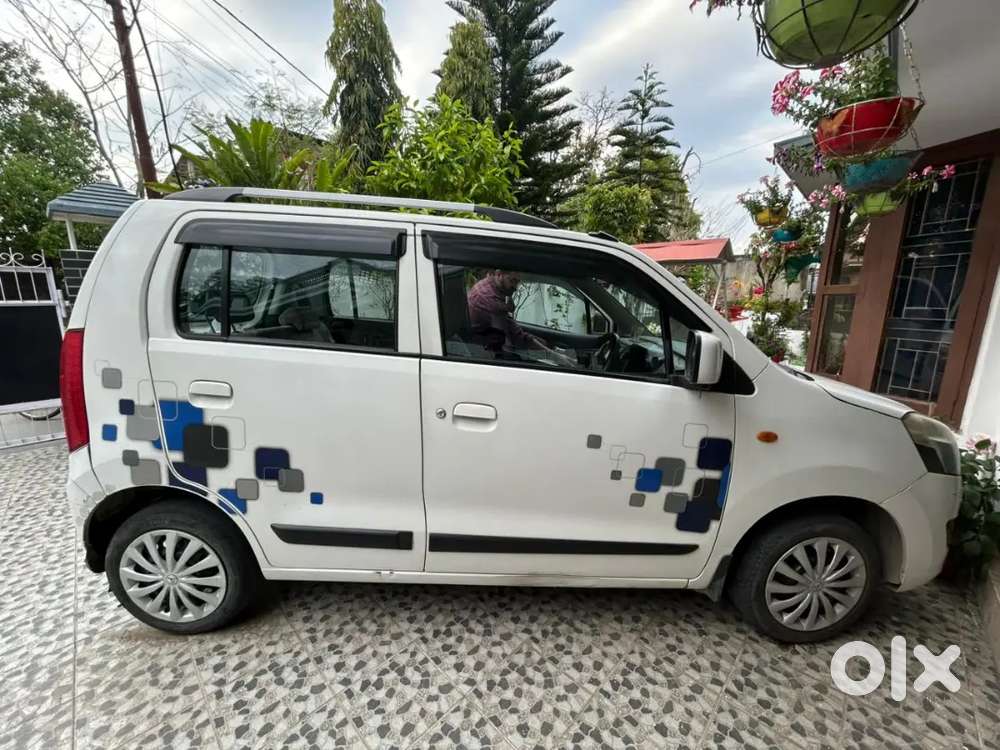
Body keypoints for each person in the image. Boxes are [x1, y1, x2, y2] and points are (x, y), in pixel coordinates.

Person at [467, 270, 576, 367]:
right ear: (499, 274)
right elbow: (516, 341)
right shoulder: (490, 301)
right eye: (513, 281)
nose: (516, 287)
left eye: (517, 282)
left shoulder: (491, 285)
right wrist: (556, 357)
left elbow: (515, 330)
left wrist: (553, 351)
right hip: (489, 358)